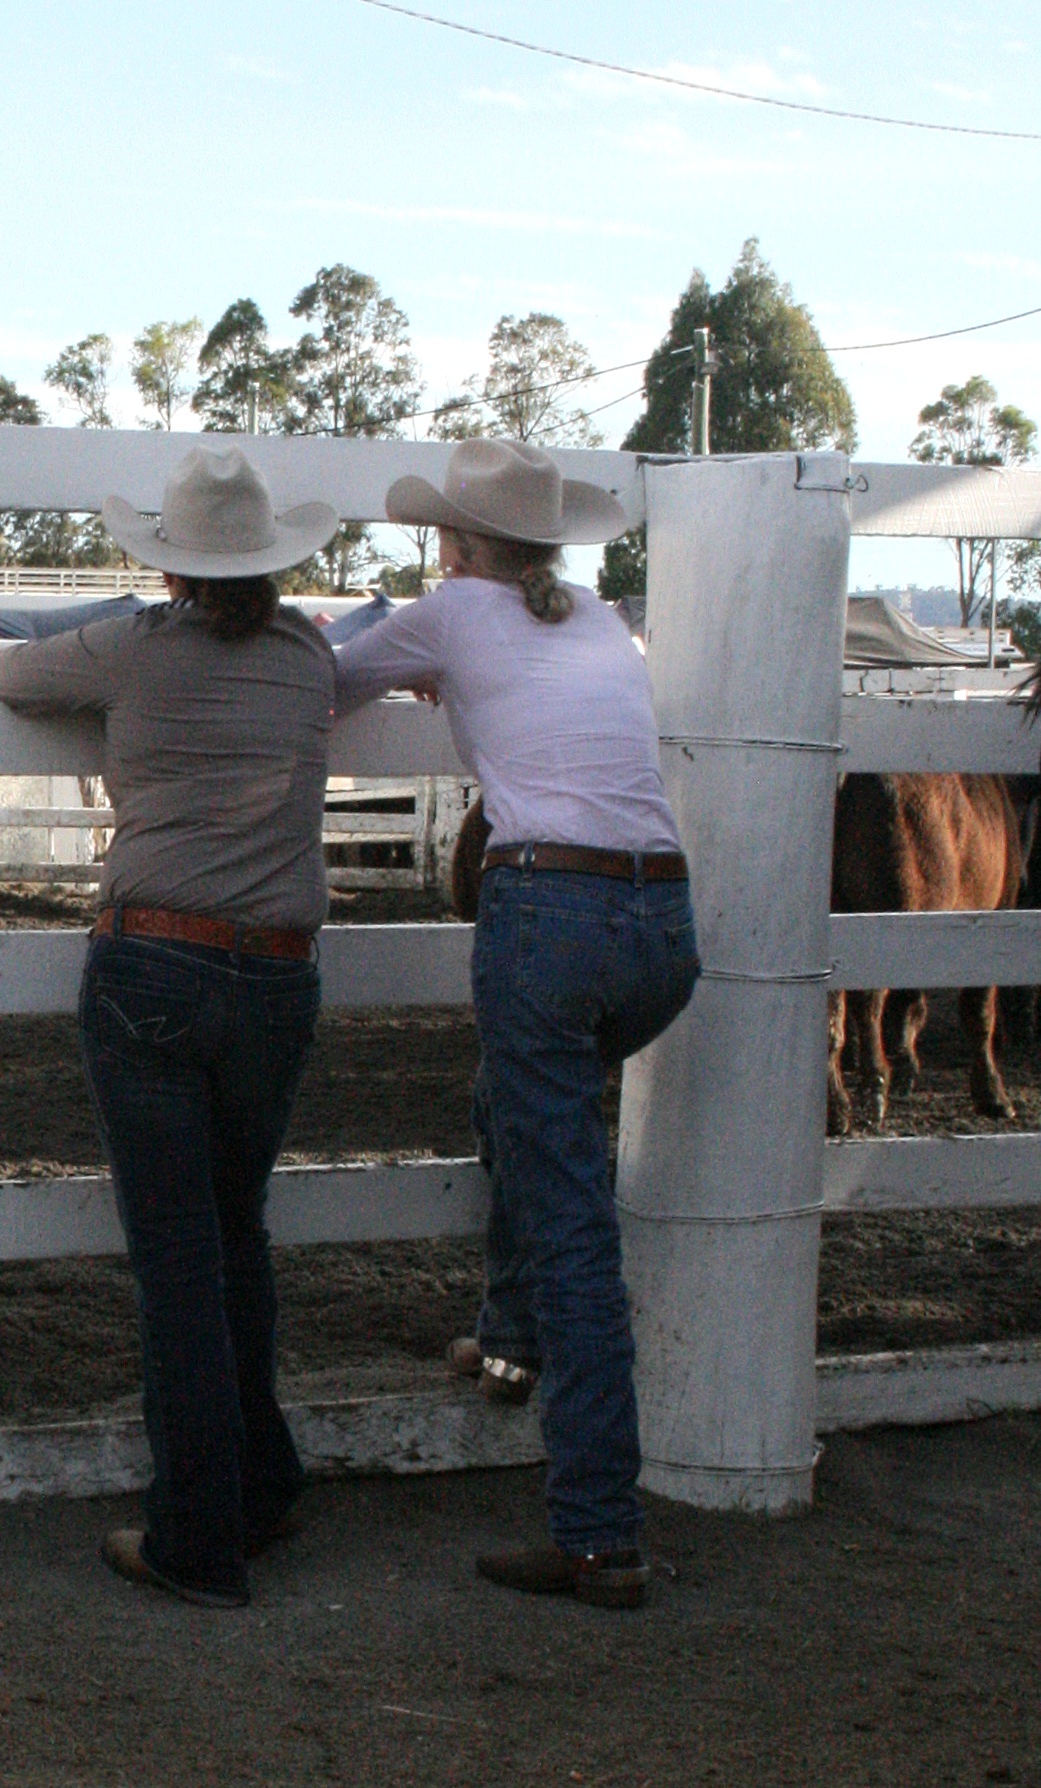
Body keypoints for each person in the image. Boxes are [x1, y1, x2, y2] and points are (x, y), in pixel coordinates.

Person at [332, 437, 700, 1610]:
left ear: (460, 544)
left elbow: (329, 682)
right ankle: (507, 1332)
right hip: (660, 926)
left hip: (550, 913)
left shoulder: (447, 612)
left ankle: (598, 1536)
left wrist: (419, 661)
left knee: (572, 1221)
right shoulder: (594, 618)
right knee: (516, 1108)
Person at [0, 447, 339, 1608]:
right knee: (235, 1233)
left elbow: (5, 677)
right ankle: (260, 1479)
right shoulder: (306, 654)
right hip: (275, 974)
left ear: (171, 564)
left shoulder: (134, 648)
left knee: (179, 1258)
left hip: (152, 961)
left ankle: (196, 1533)